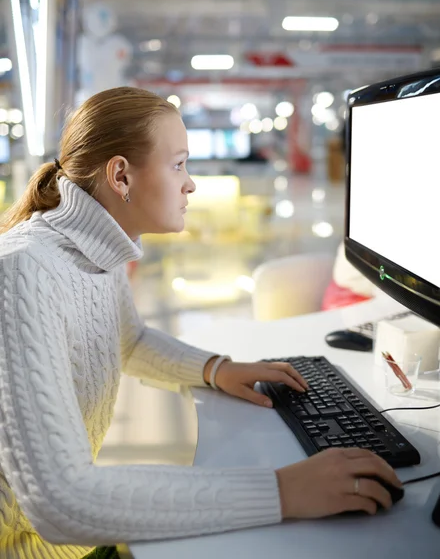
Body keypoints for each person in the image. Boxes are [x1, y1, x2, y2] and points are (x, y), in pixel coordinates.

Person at [0, 87, 402, 559]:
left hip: (56, 540)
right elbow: (62, 501)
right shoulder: (25, 270)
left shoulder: (93, 251)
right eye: (178, 165)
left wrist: (216, 369)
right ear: (121, 176)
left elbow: (128, 342)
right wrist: (282, 492)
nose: (191, 184)